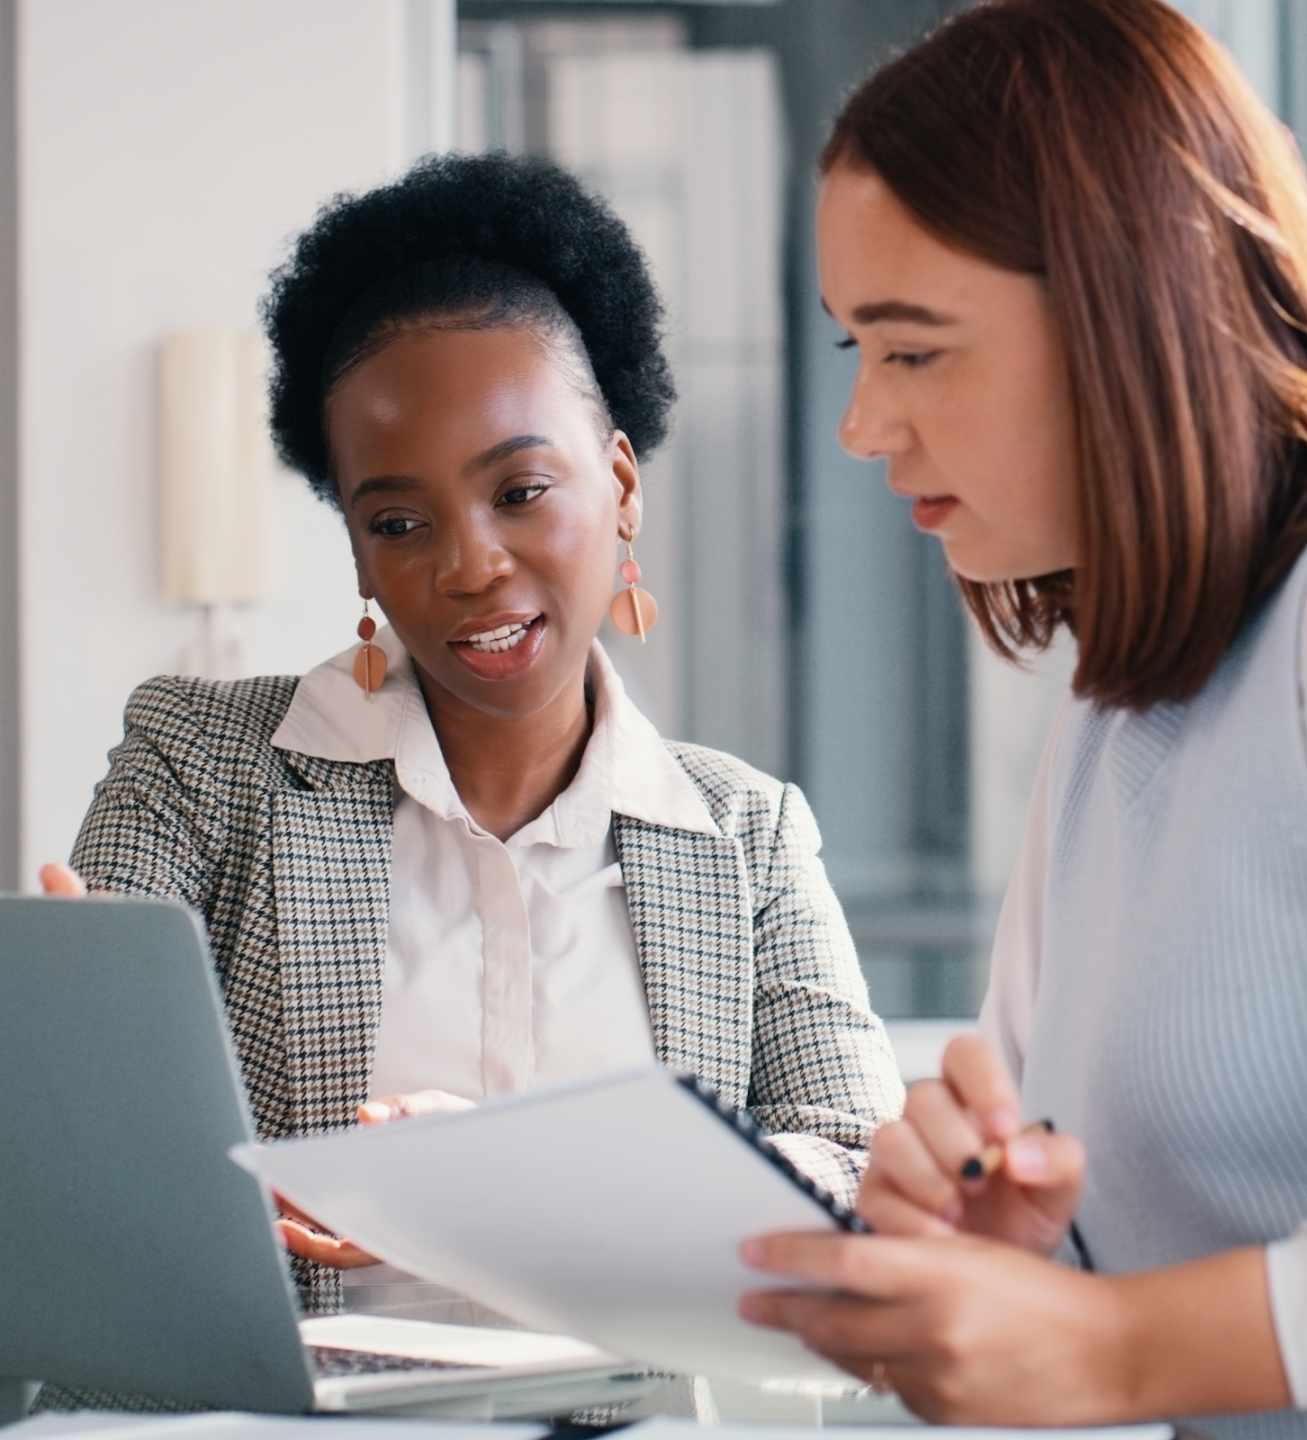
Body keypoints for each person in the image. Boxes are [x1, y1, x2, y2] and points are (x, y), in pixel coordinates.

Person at [737, 2, 1307, 1437]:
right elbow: (1082, 1234)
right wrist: (1011, 1240)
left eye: (916, 350)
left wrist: (1117, 1342)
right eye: (851, 351)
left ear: (1137, 309)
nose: (863, 427)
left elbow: (1135, 1346)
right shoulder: (1126, 693)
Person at [46, 153, 903, 1318]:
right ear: (357, 549)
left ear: (619, 486)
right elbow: (84, 1169)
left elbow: (858, 1170)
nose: (467, 565)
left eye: (520, 492)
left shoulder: (749, 837)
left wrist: (531, 1179)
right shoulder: (202, 766)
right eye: (398, 520)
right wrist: (63, 1053)